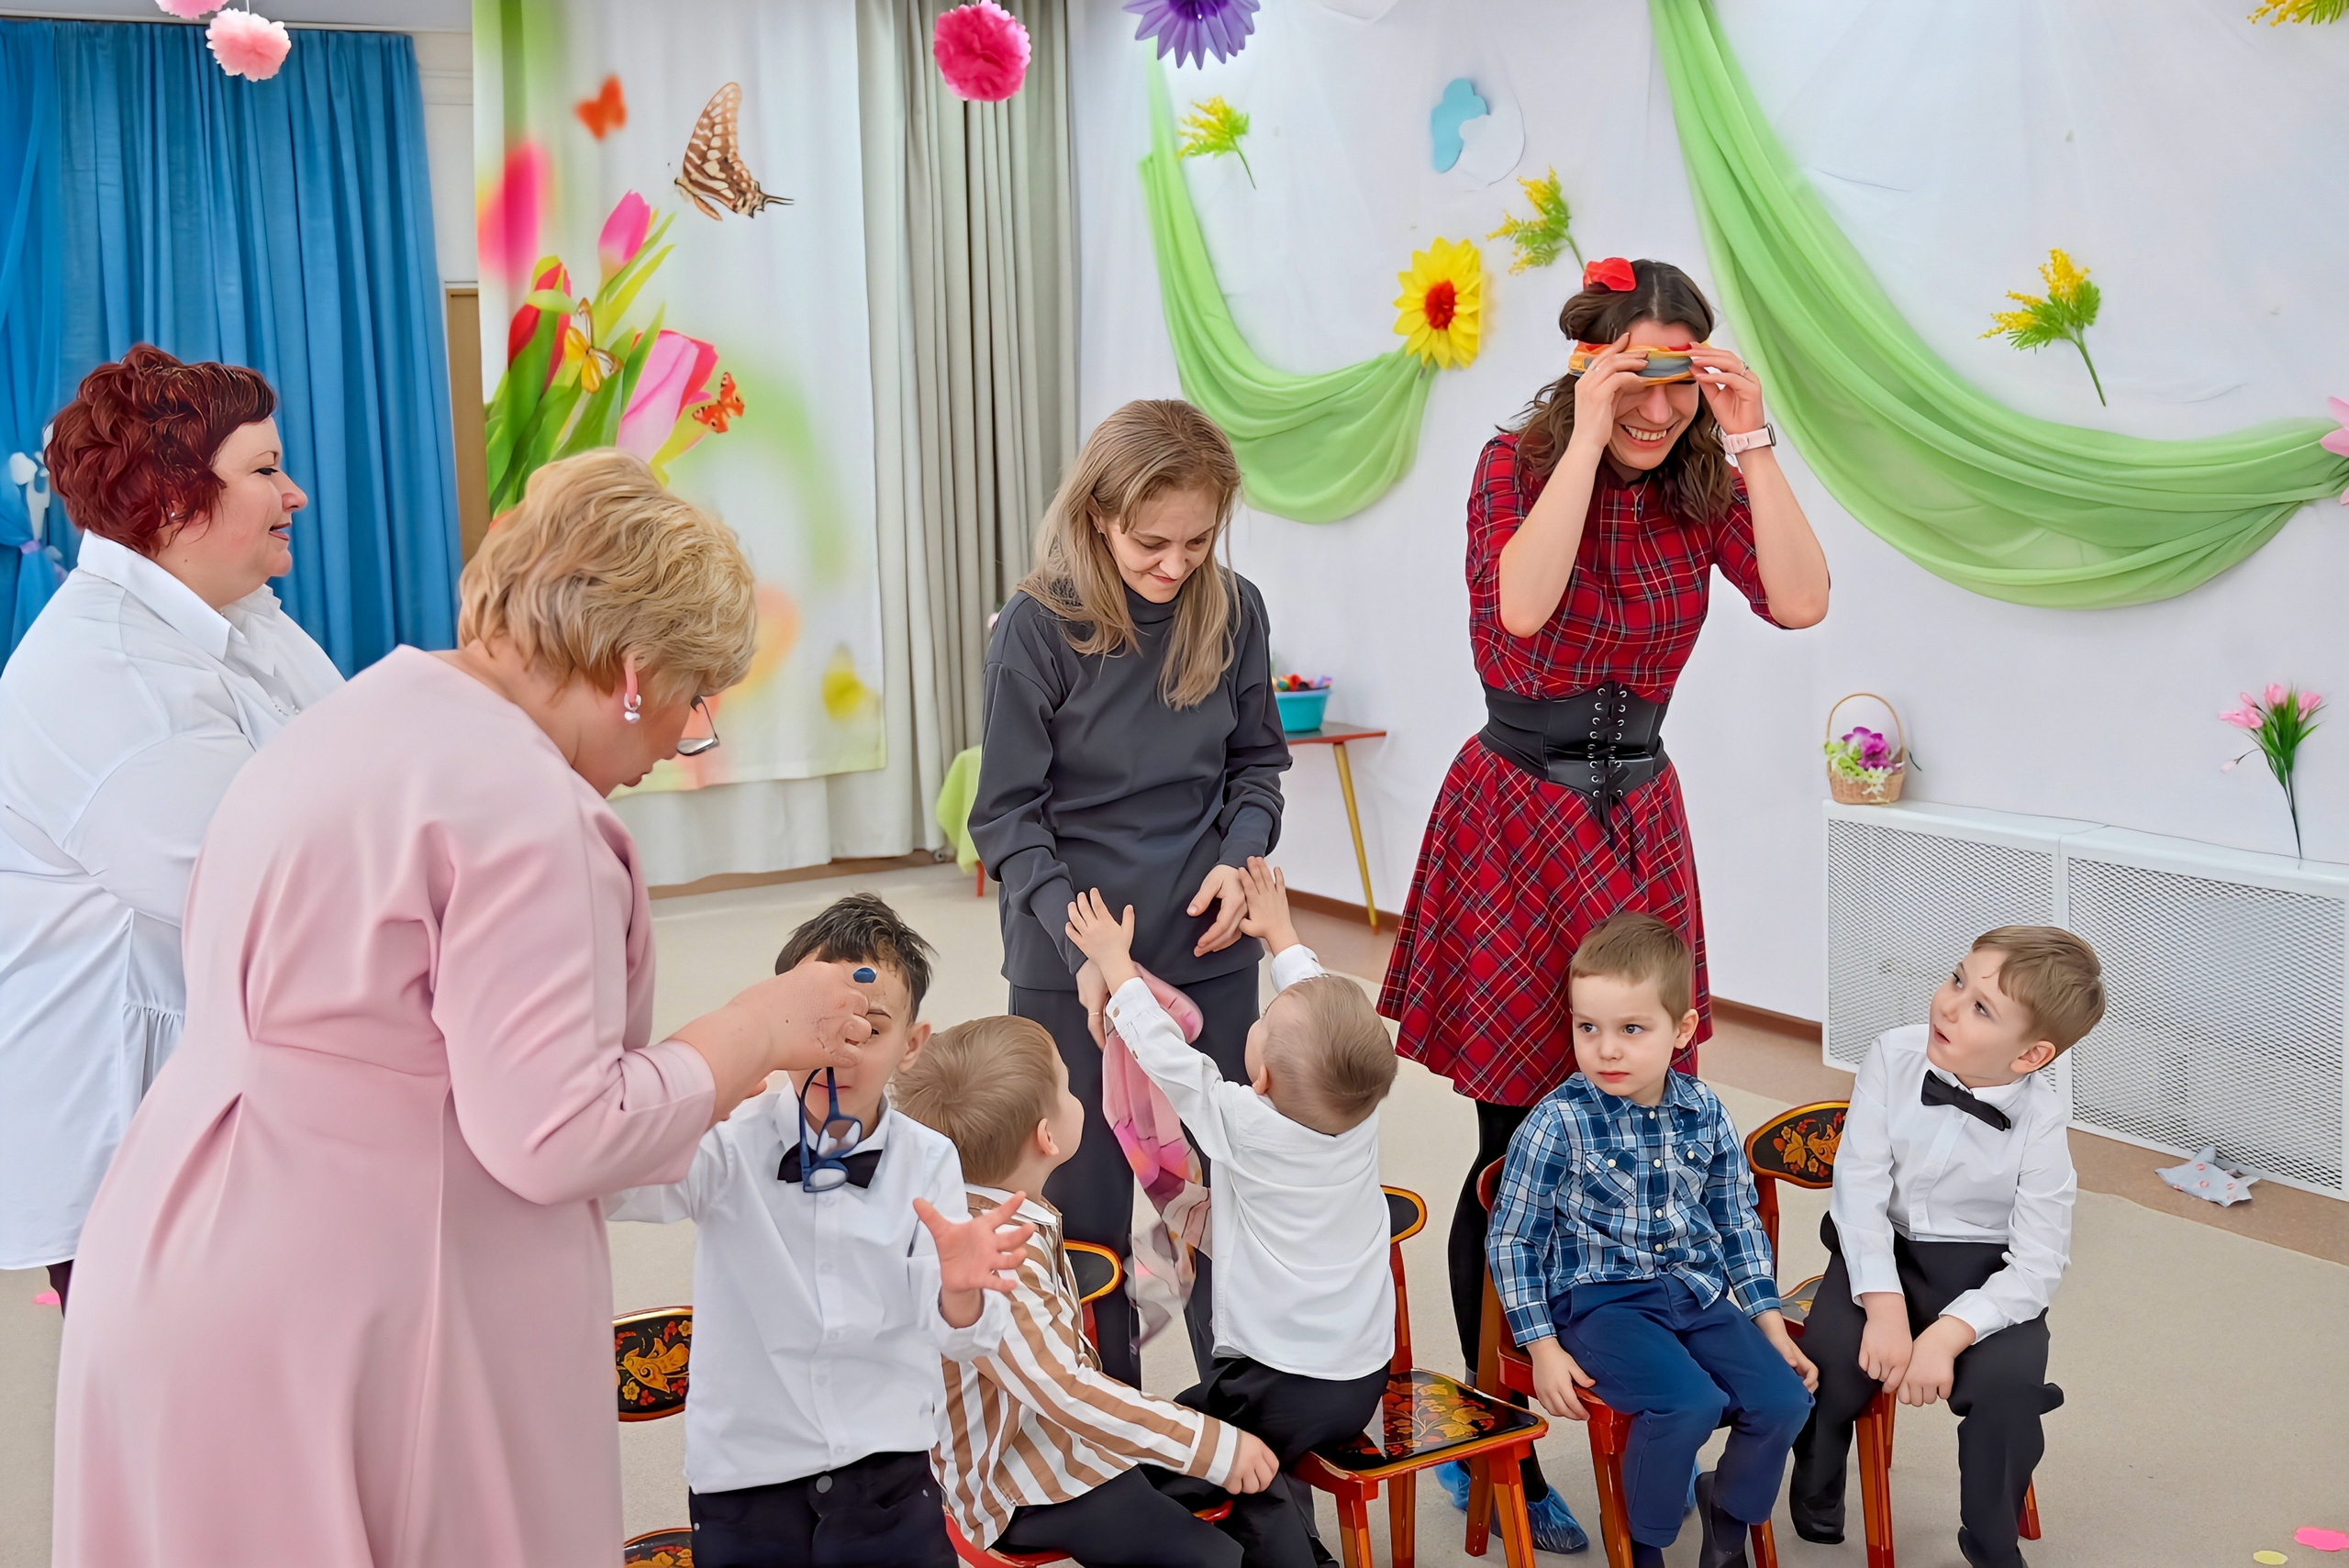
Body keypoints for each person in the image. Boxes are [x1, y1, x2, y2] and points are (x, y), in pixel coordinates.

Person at [50, 449, 877, 1568]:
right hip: (355, 1291)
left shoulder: (359, 712)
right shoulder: (525, 810)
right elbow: (554, 1130)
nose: (682, 738)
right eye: (694, 701)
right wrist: (757, 1027)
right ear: (634, 668)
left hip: (179, 1240)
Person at [1379, 258, 1829, 1548]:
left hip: (1637, 822)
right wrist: (1584, 434)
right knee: (1515, 1140)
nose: (1658, 406)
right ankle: (1490, 1436)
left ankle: (1648, 1343)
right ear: (1588, 361)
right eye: (1637, 372)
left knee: (1648, 1098)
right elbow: (1521, 607)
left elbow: (1800, 598)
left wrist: (1750, 442)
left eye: (1681, 377)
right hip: (1516, 817)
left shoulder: (1704, 477)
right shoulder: (1511, 465)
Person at [0, 346, 344, 1308]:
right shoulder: (106, 676)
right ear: (173, 497)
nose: (298, 493)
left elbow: (352, 770)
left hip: (235, 1093)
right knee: (216, 1429)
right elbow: (262, 895)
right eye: (266, 469)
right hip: (140, 1130)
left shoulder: (239, 611)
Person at [970, 398, 1291, 1385]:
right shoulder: (1037, 626)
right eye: (1151, 542)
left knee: (1220, 1198)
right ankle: (1113, 1443)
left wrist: (1241, 859)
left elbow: (1257, 768)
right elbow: (1007, 816)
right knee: (1090, 1215)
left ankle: (1239, 1439)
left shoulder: (1232, 609)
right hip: (1071, 950)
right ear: (1098, 516)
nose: (1174, 564)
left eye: (1196, 541)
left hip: (1204, 941)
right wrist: (1084, 957)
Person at [605, 894, 1036, 1568]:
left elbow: (967, 1337)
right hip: (746, 1484)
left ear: (912, 1046)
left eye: (870, 1027)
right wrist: (710, 1076)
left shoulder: (930, 1159)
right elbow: (608, 1183)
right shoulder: (727, 1140)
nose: (840, 1045)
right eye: (817, 1024)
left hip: (890, 1477)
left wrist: (960, 1288)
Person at [1063, 858, 1395, 1568]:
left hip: (1278, 1382)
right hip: (1362, 1374)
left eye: (1264, 1022)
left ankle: (1286, 1556)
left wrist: (1117, 967)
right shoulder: (1359, 1114)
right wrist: (1283, 935)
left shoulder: (1246, 1120)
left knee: (1171, 1453)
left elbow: (1171, 1059)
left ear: (1264, 1074)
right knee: (1207, 1439)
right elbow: (1327, 1022)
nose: (1262, 1018)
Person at [1487, 914, 1818, 1568]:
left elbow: (1736, 1218)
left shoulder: (1705, 1109)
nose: (1606, 1049)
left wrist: (1770, 1321)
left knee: (1786, 1397)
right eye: (1589, 1028)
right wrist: (1542, 1346)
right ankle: (1647, 1541)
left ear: (1683, 1030)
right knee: (1687, 1402)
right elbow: (1513, 1240)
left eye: (1631, 1029)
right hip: (1601, 1303)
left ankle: (1727, 1518)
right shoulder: (1557, 1122)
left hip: (1694, 1293)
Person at [896, 1015, 1283, 1567]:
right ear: (1046, 1137)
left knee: (1249, 1474)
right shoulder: (997, 1255)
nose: (1079, 1096)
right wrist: (1213, 1448)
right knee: (1208, 1555)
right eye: (1067, 1087)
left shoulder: (988, 1209)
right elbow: (1068, 1392)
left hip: (1070, 1439)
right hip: (1023, 1483)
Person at [1790, 928, 2103, 1568]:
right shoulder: (1892, 1053)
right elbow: (1860, 1189)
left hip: (1985, 1277)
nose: (1949, 1004)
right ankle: (1816, 1487)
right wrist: (1883, 1307)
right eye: (1957, 978)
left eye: (1982, 1007)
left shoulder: (2043, 1119)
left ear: (2030, 1055)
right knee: (1831, 1365)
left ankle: (1989, 1542)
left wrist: (1948, 1333)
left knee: (2010, 1394)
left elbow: (2039, 1262)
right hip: (1882, 1252)